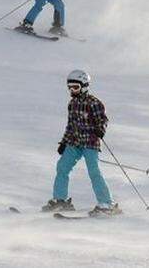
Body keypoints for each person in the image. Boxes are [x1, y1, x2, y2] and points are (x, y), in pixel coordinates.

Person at [41, 70, 120, 216]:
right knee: (62, 167)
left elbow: (103, 120)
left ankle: (107, 204)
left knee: (94, 171)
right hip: (74, 142)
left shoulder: (94, 102)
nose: (72, 90)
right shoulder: (72, 104)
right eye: (69, 87)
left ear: (84, 86)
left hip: (90, 142)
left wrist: (100, 129)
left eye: (75, 87)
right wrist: (64, 142)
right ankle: (60, 201)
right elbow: (70, 125)